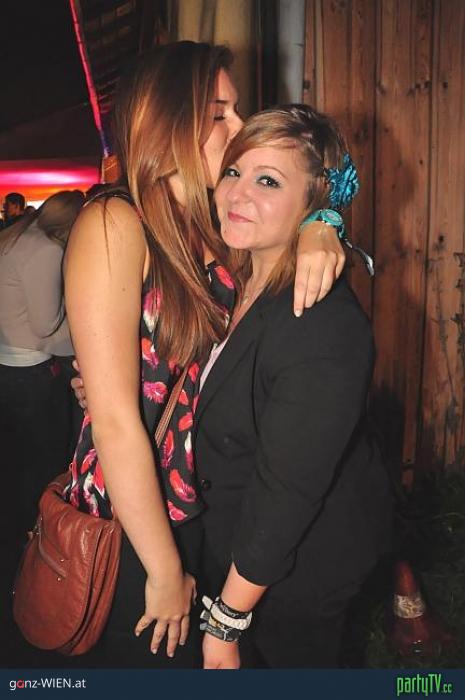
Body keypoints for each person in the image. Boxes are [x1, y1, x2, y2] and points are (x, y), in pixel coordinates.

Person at [63, 42, 346, 669]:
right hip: (136, 520)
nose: (239, 126)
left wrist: (324, 221)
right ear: (167, 120)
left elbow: (312, 175)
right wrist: (164, 571)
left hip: (203, 503)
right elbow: (115, 422)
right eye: (219, 113)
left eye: (235, 109)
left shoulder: (209, 223)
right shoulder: (114, 223)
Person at [196, 104, 393, 669]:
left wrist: (226, 623)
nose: (237, 193)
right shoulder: (233, 279)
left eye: (268, 181)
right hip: (237, 552)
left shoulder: (321, 321)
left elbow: (286, 494)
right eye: (234, 172)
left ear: (314, 202)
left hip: (291, 577)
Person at [0, 190, 84, 637]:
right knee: (44, 463)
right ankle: (41, 547)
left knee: (18, 462)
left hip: (7, 365)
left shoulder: (16, 236)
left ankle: (22, 537)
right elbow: (46, 325)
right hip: (30, 371)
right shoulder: (46, 249)